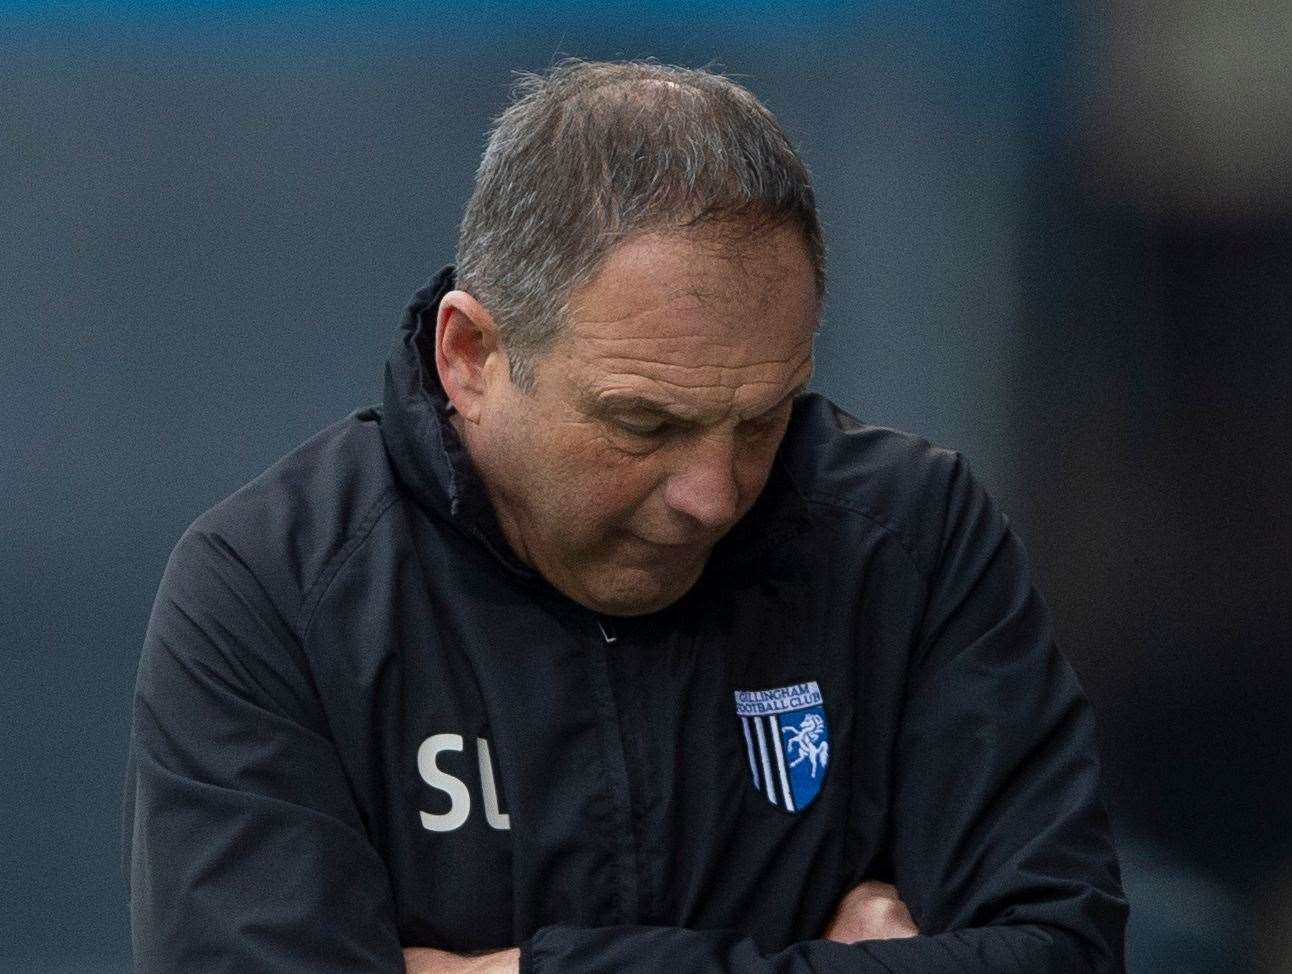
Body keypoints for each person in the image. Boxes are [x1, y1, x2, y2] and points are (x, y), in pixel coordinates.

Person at [123, 60, 1127, 973]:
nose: (714, 493)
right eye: (643, 422)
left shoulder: (908, 541)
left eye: (761, 417)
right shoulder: (273, 589)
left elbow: (1060, 954)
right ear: (469, 355)